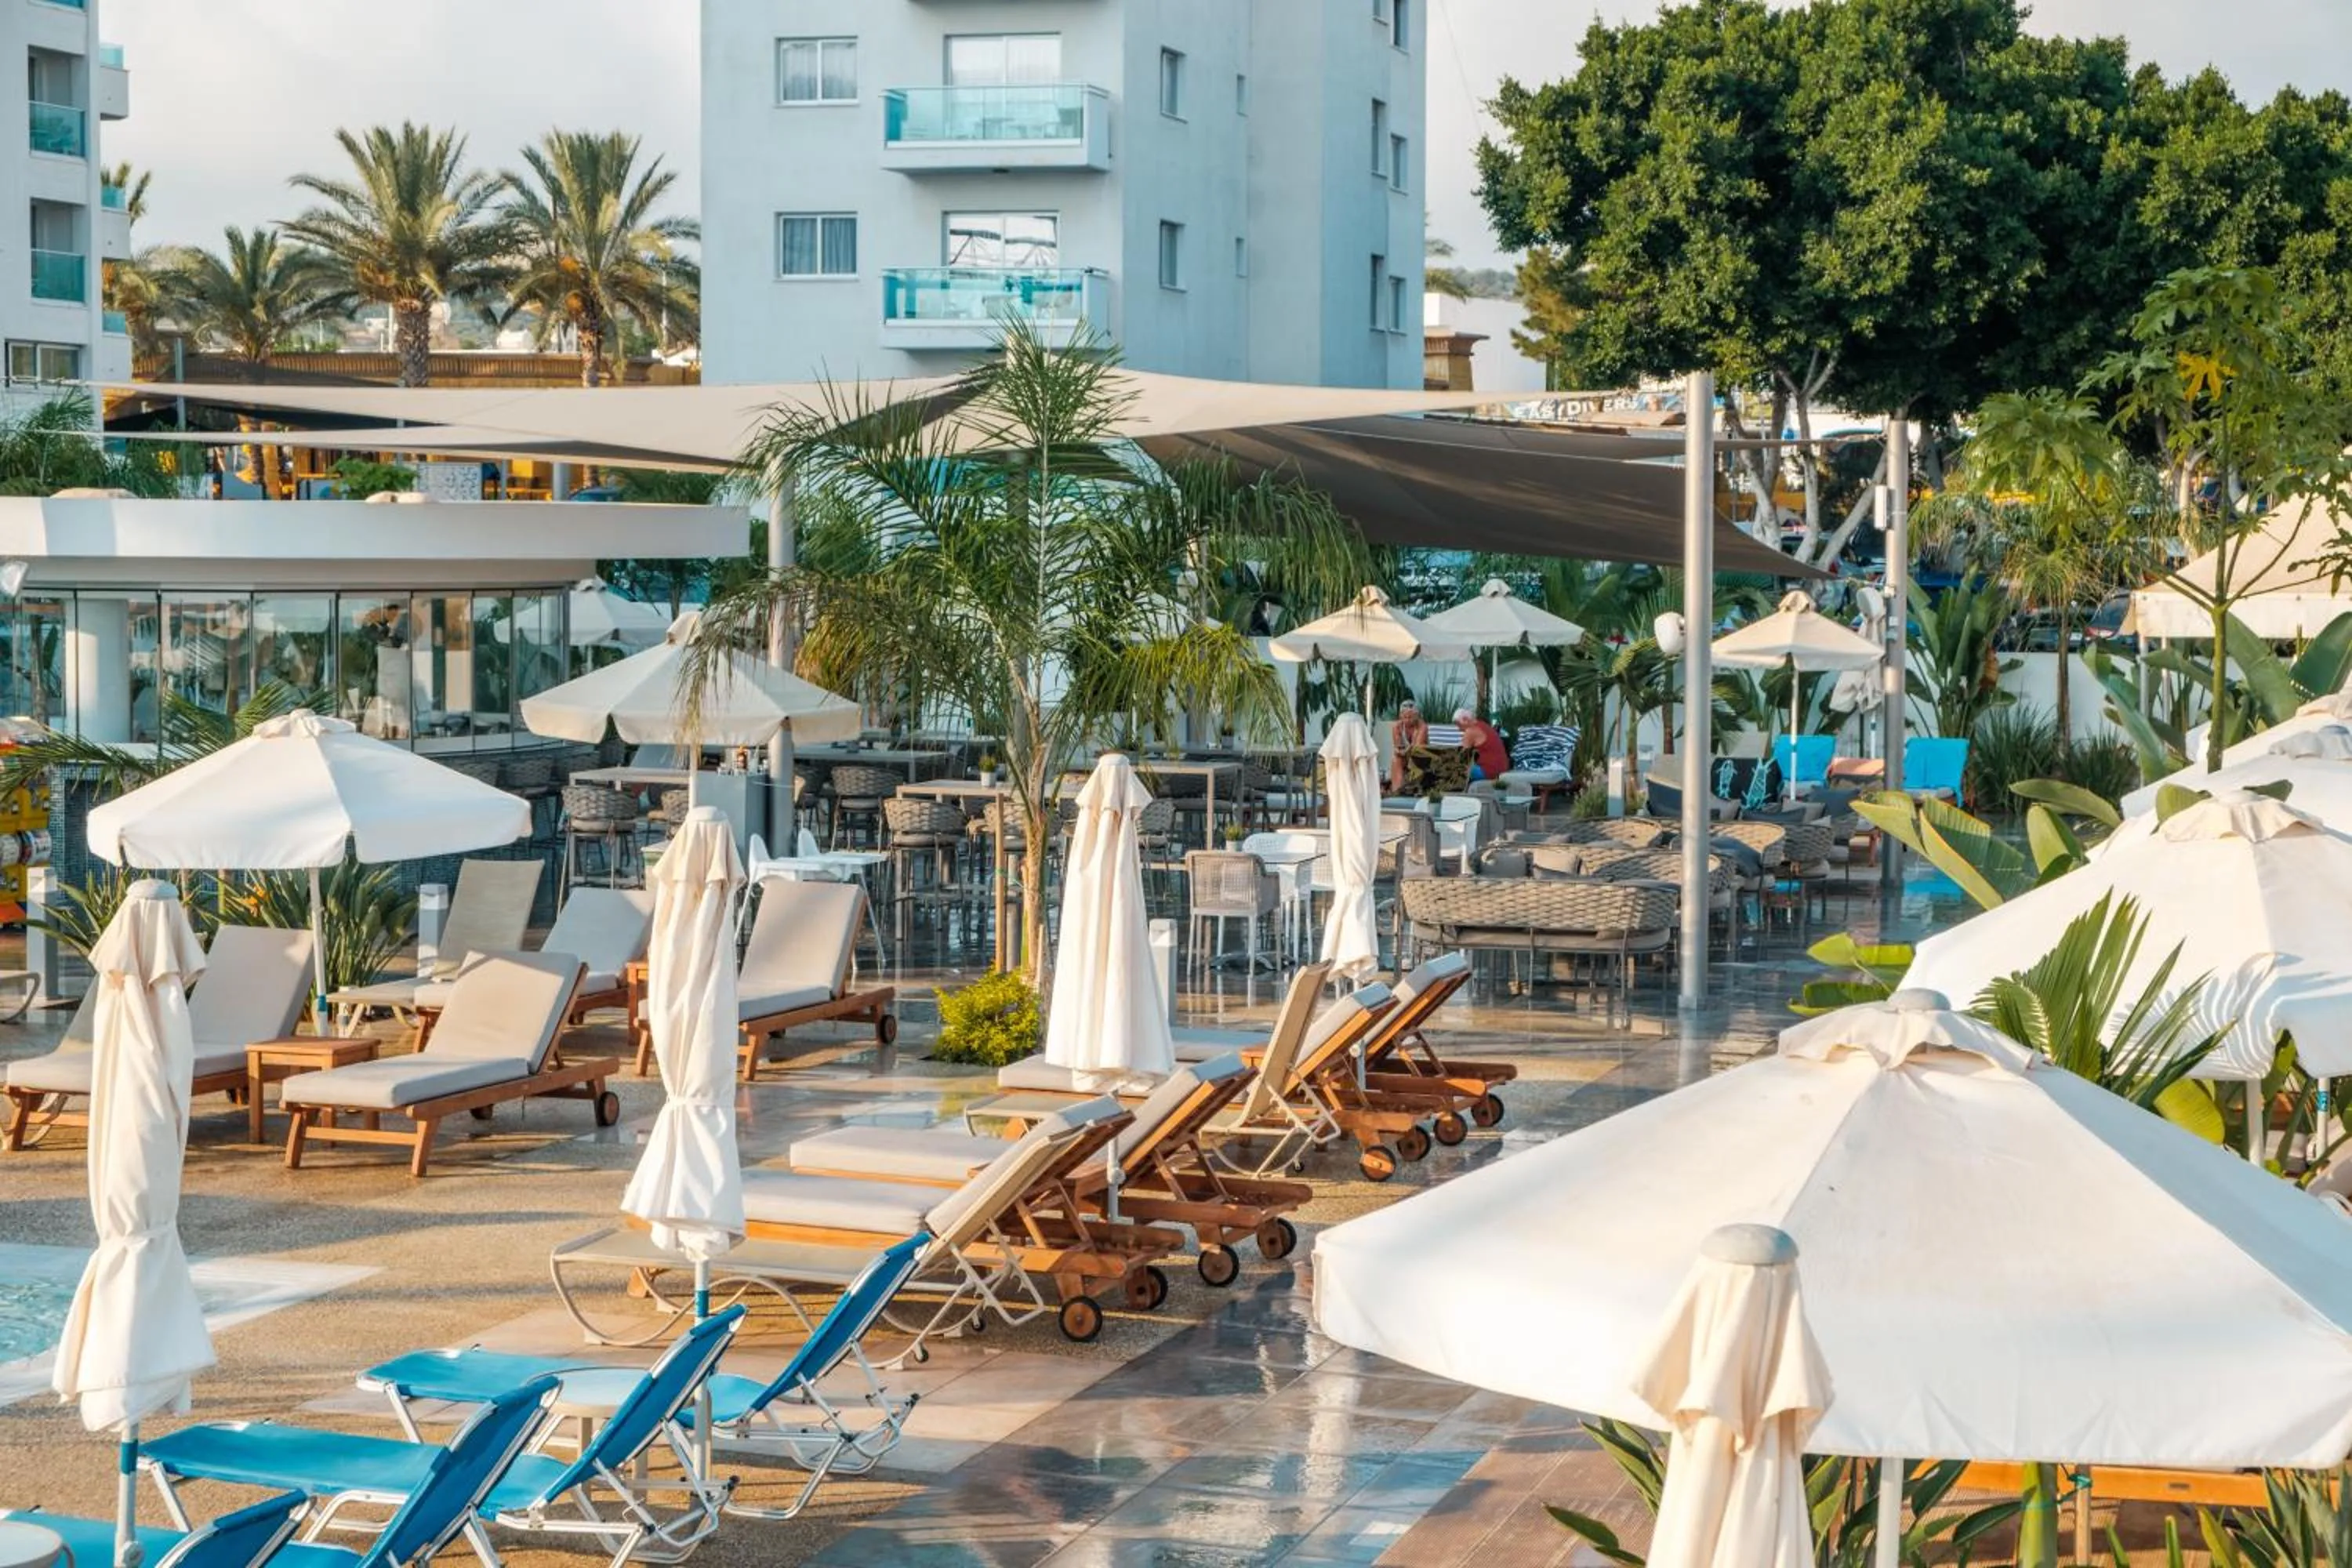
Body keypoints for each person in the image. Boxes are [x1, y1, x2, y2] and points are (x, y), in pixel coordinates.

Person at [1457, 708, 1509, 782]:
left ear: (1465, 719)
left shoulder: (1471, 730)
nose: (1458, 729)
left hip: (1489, 771)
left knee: (1457, 769)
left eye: (1459, 724)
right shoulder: (1484, 726)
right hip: (1502, 768)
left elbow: (1462, 757)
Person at [1388, 699, 1428, 792]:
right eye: (1405, 717)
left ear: (1417, 716)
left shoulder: (1422, 727)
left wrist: (1405, 751)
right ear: (1400, 716)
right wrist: (1398, 751)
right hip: (1406, 756)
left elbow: (1418, 747)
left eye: (1410, 717)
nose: (1407, 720)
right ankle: (1397, 791)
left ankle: (1412, 789)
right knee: (1396, 759)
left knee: (1415, 758)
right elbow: (1398, 746)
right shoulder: (1397, 727)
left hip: (1421, 756)